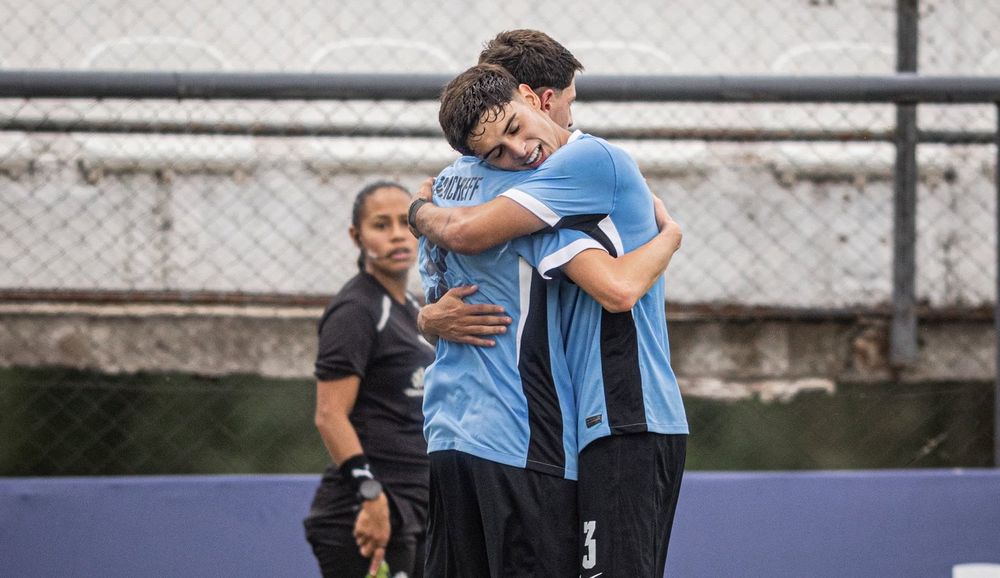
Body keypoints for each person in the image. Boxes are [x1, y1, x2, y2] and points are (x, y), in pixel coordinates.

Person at [412, 46, 683, 578]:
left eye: (517, 126)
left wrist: (418, 207)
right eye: (497, 148)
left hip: (627, 409)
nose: (519, 149)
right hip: (559, 425)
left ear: (531, 98)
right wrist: (672, 236)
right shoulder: (518, 190)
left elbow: (618, 290)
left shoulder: (577, 165)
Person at [303, 181, 434, 578]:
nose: (396, 234)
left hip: (415, 505)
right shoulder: (355, 310)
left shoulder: (412, 307)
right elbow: (329, 415)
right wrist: (371, 496)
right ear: (356, 237)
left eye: (403, 222)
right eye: (381, 225)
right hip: (366, 513)